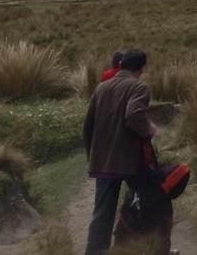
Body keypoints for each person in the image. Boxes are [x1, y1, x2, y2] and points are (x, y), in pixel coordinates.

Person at [83, 49, 157, 255]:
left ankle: (95, 252)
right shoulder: (139, 86)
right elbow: (133, 115)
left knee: (102, 213)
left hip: (104, 162)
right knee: (150, 201)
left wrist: (93, 157)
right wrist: (149, 130)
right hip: (132, 161)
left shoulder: (101, 88)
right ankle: (153, 246)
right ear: (141, 68)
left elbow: (87, 127)